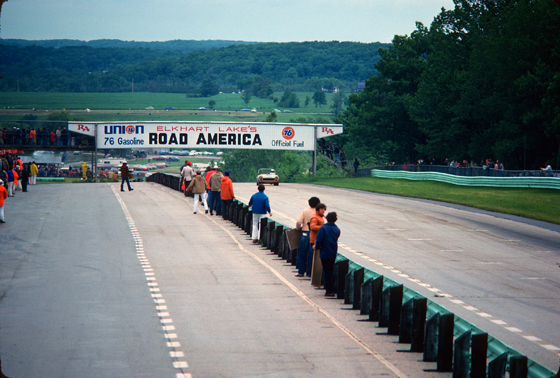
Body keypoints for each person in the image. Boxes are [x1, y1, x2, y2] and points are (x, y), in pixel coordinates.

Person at [315, 212, 341, 297]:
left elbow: (319, 240)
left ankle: (329, 290)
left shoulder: (323, 228)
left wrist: (316, 247)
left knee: (327, 271)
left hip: (325, 252)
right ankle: (330, 288)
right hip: (333, 251)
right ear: (335, 220)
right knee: (330, 269)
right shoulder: (337, 229)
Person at [295, 196, 321, 278]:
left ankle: (301, 271)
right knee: (311, 254)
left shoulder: (305, 211)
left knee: (302, 253)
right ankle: (310, 272)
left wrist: (298, 228)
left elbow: (299, 221)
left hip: (304, 233)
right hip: (314, 234)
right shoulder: (318, 213)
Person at [309, 203, 326, 287]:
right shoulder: (315, 217)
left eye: (324, 209)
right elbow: (312, 227)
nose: (323, 211)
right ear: (318, 210)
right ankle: (314, 278)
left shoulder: (321, 217)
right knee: (315, 260)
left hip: (318, 240)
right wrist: (323, 227)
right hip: (315, 241)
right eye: (322, 209)